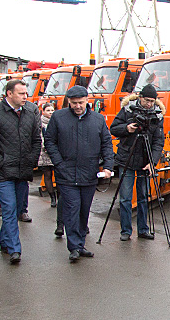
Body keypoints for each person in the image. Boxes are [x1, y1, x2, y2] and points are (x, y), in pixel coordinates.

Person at [45, 86, 114, 262]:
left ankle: (80, 243)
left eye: (81, 103)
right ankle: (74, 246)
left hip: (89, 173)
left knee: (84, 210)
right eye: (74, 103)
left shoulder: (98, 120)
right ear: (68, 101)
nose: (77, 106)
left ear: (87, 100)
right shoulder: (58, 117)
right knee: (72, 209)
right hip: (66, 174)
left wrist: (107, 166)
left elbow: (106, 143)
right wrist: (59, 163)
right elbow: (50, 141)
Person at [0, 79, 41, 264]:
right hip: (3, 171)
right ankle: (15, 249)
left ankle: (5, 242)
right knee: (8, 208)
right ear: (9, 94)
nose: (25, 97)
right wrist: (0, 161)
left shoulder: (30, 112)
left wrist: (31, 160)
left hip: (23, 170)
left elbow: (36, 139)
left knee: (15, 210)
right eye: (21, 93)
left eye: (26, 93)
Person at [110, 84, 163, 241]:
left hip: (145, 161)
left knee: (143, 197)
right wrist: (127, 128)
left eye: (152, 101)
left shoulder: (158, 115)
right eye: (147, 100)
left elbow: (158, 142)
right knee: (125, 198)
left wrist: (153, 162)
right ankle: (126, 231)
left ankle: (143, 229)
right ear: (140, 98)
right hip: (127, 158)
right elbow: (113, 128)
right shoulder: (127, 110)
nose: (149, 104)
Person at [37, 102, 61, 236]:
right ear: (43, 111)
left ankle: (58, 196)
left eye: (52, 110)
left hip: (55, 152)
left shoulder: (57, 121)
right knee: (47, 175)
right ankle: (52, 198)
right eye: (48, 110)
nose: (51, 112)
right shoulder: (40, 123)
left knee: (57, 175)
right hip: (44, 152)